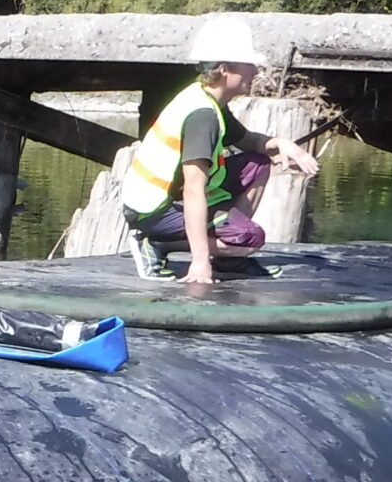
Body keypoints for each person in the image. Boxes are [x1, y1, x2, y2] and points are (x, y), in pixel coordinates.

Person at [120, 15, 323, 286]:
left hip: (174, 197)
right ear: (225, 68)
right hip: (153, 210)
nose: (255, 70)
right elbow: (193, 188)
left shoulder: (210, 100)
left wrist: (281, 144)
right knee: (250, 239)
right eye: (248, 64)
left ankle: (228, 258)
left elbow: (249, 141)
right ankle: (157, 244)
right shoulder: (202, 116)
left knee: (259, 162)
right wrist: (200, 262)